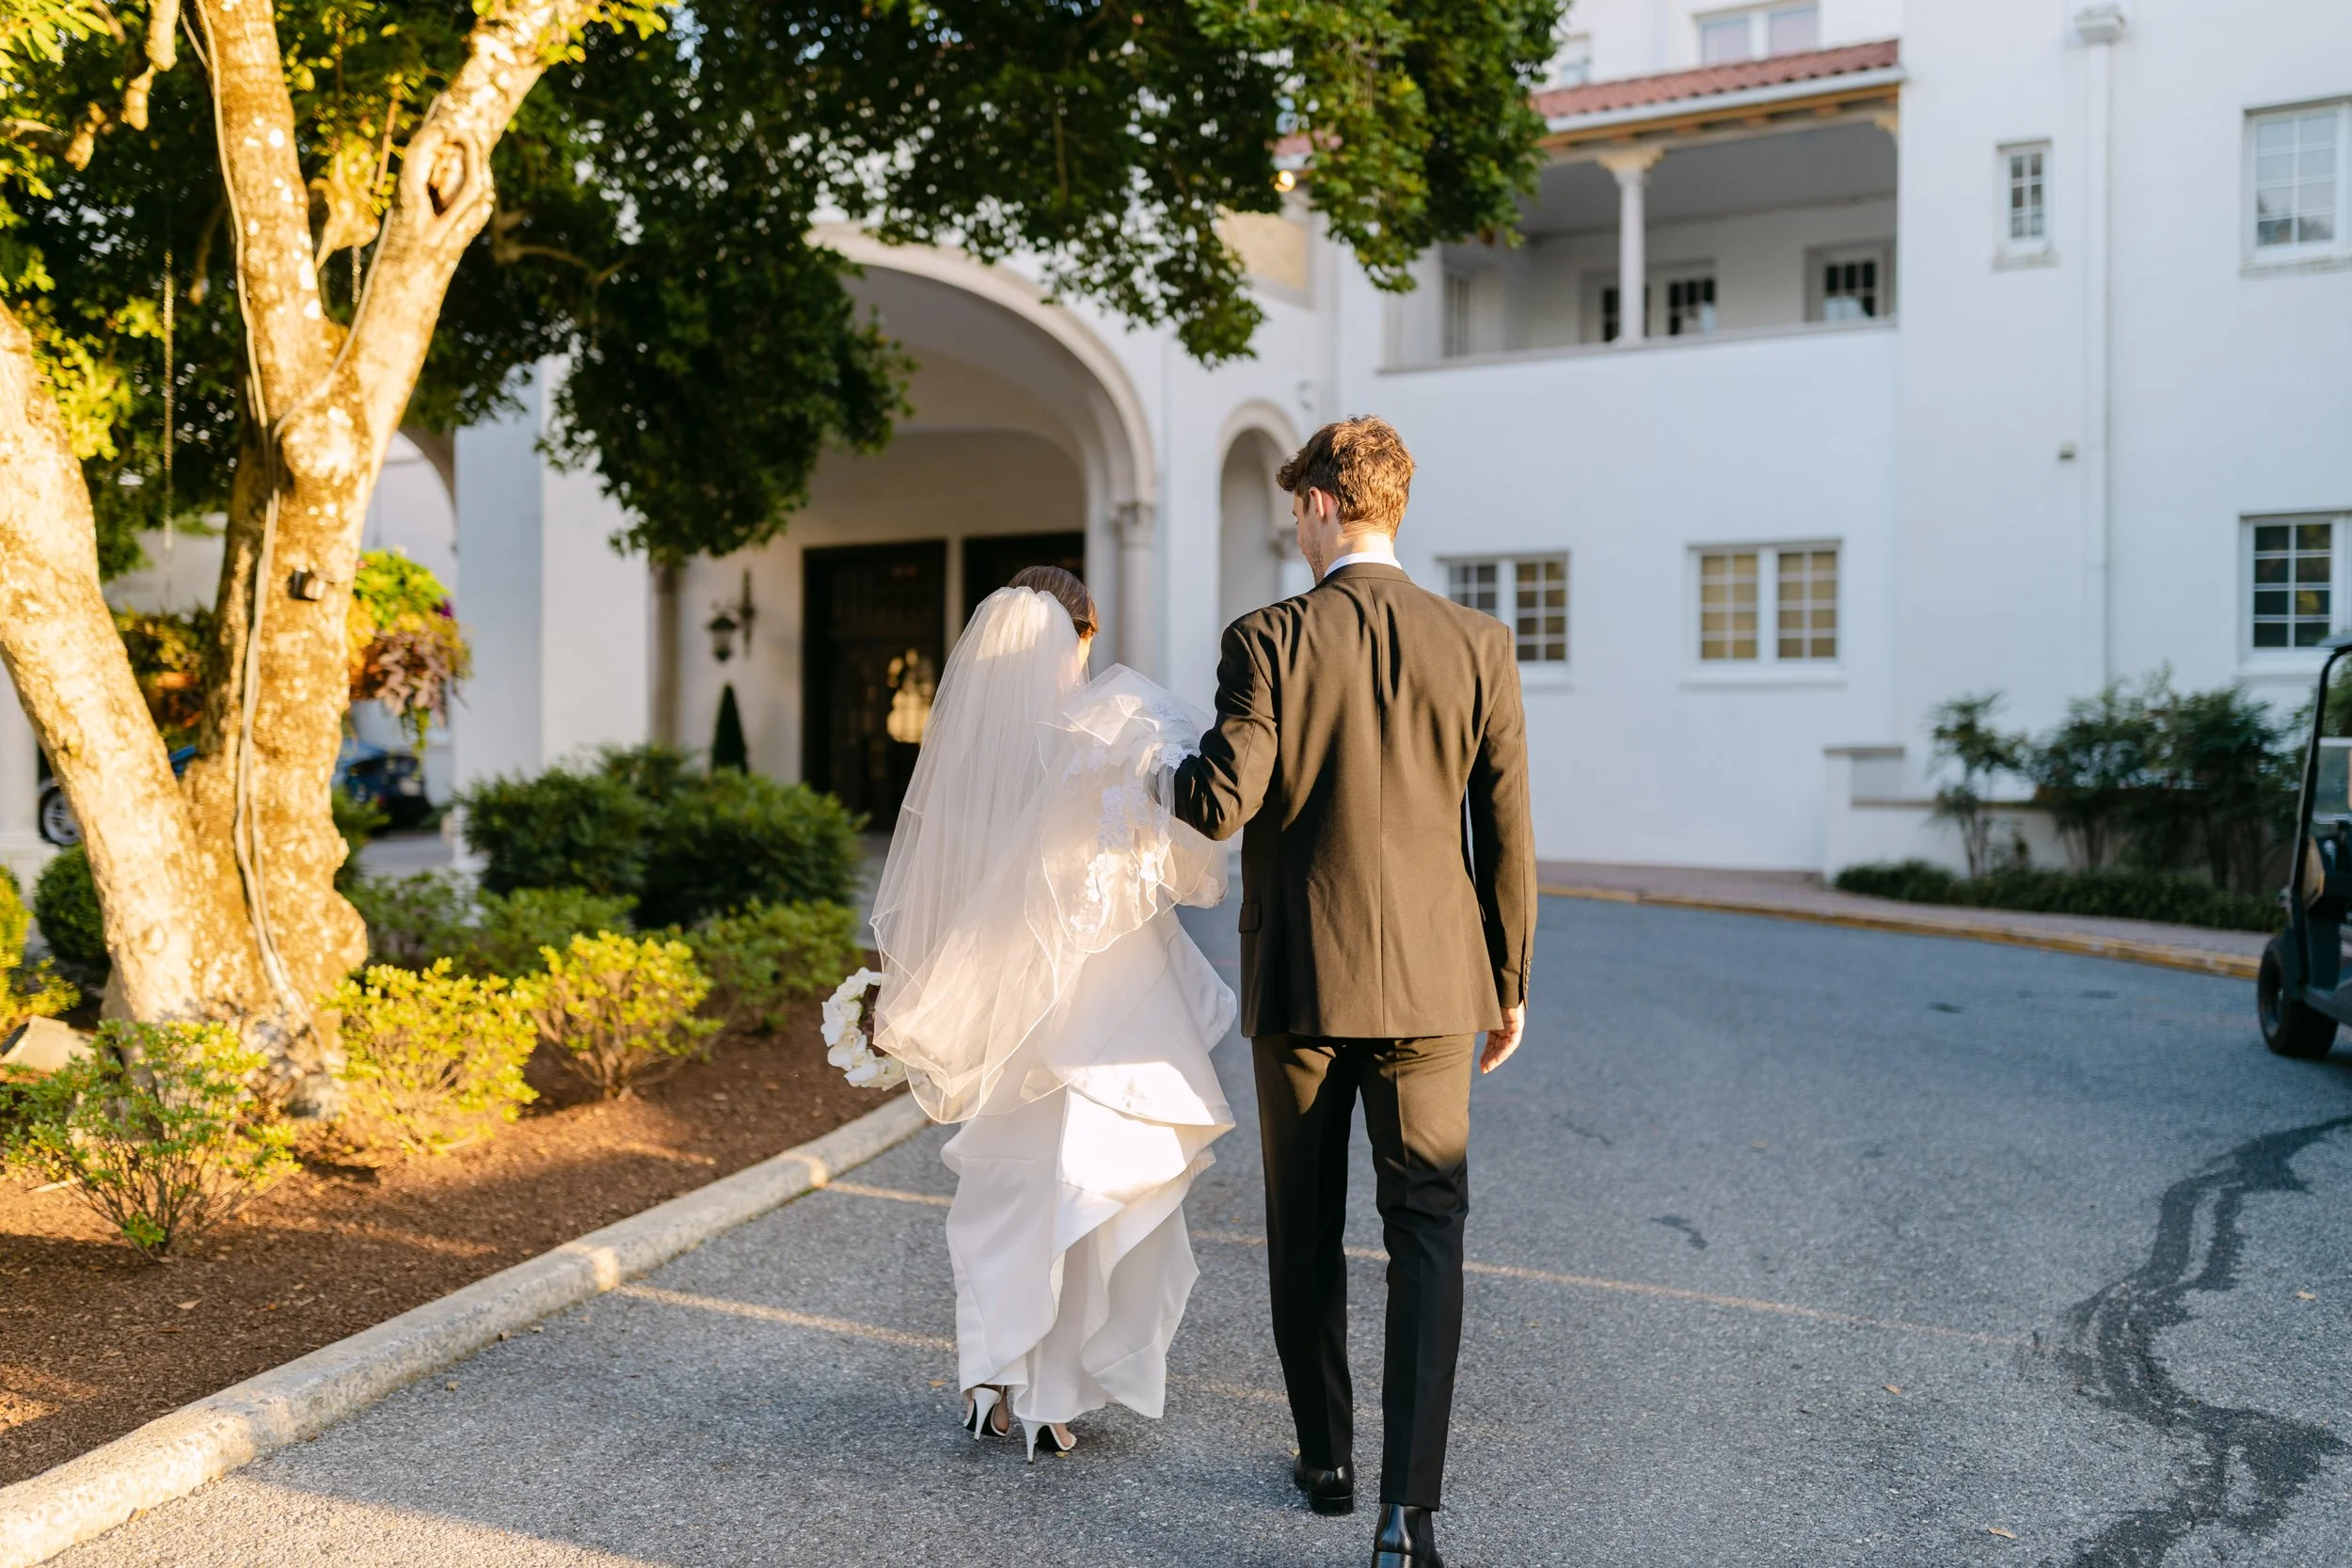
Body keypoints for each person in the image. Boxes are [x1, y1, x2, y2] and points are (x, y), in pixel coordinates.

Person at [1169, 418, 1536, 1568]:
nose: (1295, 523)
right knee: (1428, 1228)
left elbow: (1219, 800)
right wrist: (1508, 977)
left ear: (1324, 504)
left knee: (1306, 1226)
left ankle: (1325, 1458)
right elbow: (1508, 825)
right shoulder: (1479, 640)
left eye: (1296, 505)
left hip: (1304, 977)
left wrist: (1143, 762)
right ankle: (1405, 1513)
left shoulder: (1267, 636)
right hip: (1438, 980)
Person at [866, 565, 1236, 1464]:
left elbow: (949, 894)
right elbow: (1192, 869)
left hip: (1008, 1003)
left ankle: (990, 1375)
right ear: (1080, 635)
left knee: (1009, 1180)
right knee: (1088, 1181)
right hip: (1108, 999)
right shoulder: (1114, 733)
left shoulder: (977, 759)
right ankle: (1049, 1394)